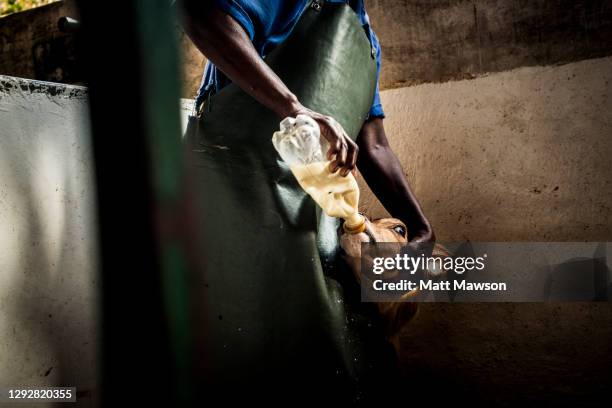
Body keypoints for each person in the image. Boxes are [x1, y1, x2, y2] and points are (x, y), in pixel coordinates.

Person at [177, 0, 434, 404]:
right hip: (236, 193)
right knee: (242, 350)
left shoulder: (366, 40)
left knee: (336, 353)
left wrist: (420, 228)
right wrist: (295, 110)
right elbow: (199, 16)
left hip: (307, 211)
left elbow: (374, 144)